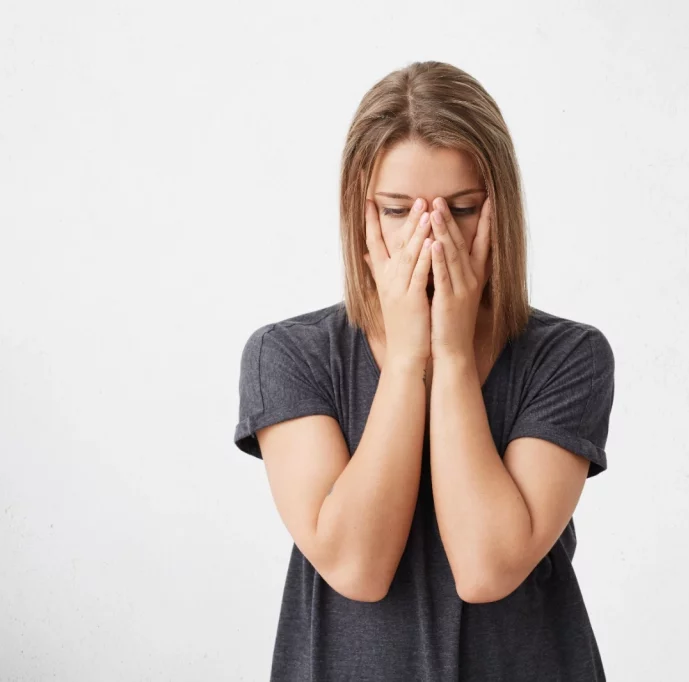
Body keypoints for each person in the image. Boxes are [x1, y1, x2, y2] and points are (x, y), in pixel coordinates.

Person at [233, 60, 616, 681]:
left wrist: (456, 356)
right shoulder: (289, 355)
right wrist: (410, 355)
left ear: (501, 213)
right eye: (396, 211)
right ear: (360, 214)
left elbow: (487, 567)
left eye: (461, 210)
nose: (430, 240)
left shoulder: (568, 357)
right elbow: (357, 566)